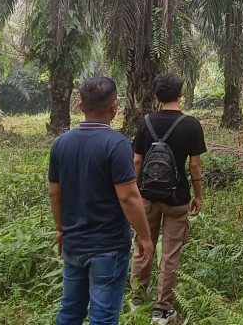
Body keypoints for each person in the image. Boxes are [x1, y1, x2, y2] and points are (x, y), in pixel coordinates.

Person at [48, 77, 154, 325]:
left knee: (70, 311)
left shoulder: (61, 143)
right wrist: (145, 237)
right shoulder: (116, 144)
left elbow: (55, 192)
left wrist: (61, 227)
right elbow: (128, 197)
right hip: (108, 247)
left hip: (74, 243)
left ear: (81, 106)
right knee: (103, 317)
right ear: (115, 106)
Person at [130, 74, 207, 325]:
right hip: (177, 198)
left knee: (143, 245)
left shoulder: (145, 122)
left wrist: (136, 192)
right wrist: (199, 195)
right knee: (171, 252)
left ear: (156, 97)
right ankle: (162, 309)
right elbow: (195, 166)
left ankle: (137, 298)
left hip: (147, 197)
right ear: (180, 96)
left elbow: (137, 161)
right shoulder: (191, 124)